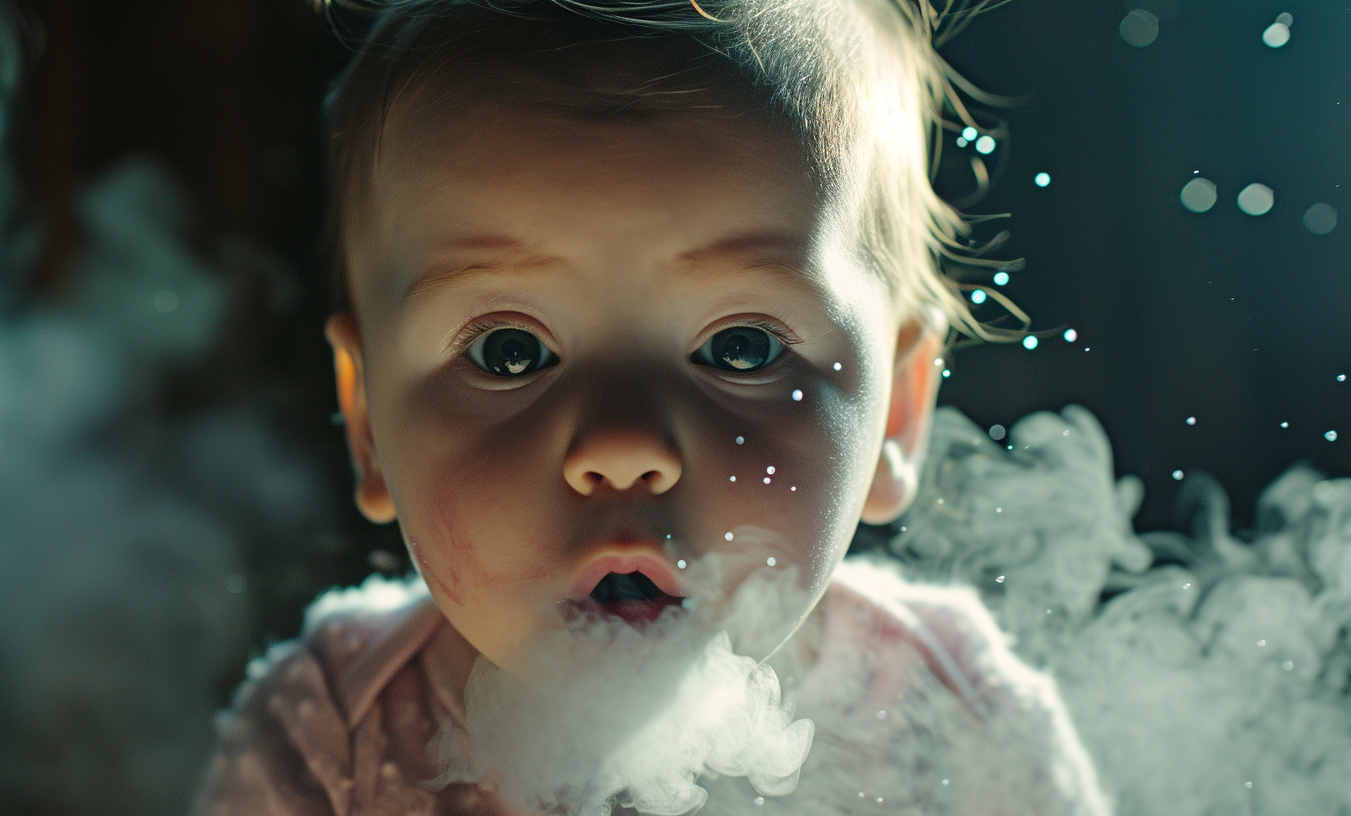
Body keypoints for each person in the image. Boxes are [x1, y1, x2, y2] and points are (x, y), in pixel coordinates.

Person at [192, 1, 1113, 813]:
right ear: (368, 425)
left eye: (740, 349)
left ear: (897, 416)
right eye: (510, 352)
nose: (625, 446)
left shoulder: (964, 725)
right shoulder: (329, 739)